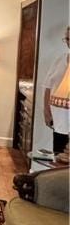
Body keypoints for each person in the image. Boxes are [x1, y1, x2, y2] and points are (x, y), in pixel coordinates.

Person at [43, 25, 70, 154]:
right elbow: (48, 86)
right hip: (58, 118)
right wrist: (46, 112)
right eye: (67, 39)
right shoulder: (60, 60)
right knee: (58, 155)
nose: (69, 42)